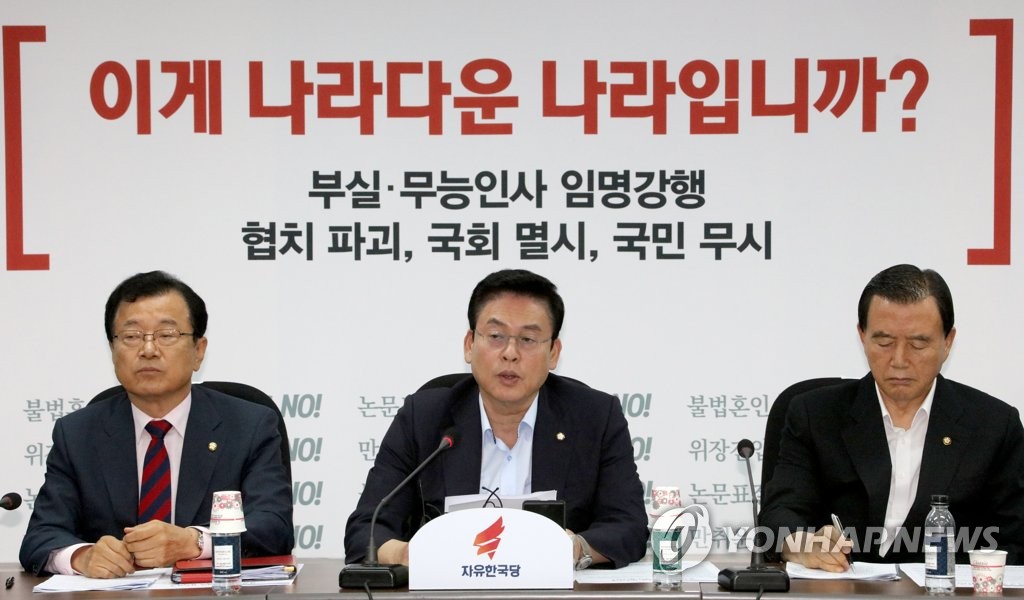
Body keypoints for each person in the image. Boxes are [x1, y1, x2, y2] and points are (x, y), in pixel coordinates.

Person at [344, 269, 648, 569]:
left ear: (554, 352)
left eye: (528, 339)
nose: (510, 353)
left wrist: (575, 548)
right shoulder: (424, 418)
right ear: (469, 344)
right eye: (495, 336)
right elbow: (366, 529)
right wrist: (406, 554)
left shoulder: (595, 417)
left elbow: (628, 526)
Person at [20, 271, 294, 577]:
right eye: (131, 336)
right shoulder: (78, 434)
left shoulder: (249, 426)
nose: (148, 350)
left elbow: (274, 527)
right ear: (113, 350)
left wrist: (194, 542)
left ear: (199, 351)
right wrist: (82, 557)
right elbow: (41, 536)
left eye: (166, 335)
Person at [759, 264, 1024, 571]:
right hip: (842, 587)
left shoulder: (993, 426)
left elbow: (1016, 541)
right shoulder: (815, 414)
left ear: (948, 341)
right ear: (862, 336)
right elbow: (780, 513)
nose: (899, 360)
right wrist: (801, 544)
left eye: (918, 344)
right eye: (884, 342)